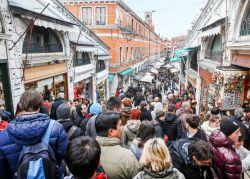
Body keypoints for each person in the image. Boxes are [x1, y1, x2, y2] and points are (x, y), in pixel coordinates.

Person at [0, 90, 68, 178]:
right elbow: (63, 154)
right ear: (40, 105)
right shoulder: (56, 128)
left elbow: (3, 172)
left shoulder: (4, 135)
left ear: (20, 105)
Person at [95, 112, 140, 179]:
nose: (122, 127)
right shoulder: (127, 157)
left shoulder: (87, 153)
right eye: (120, 125)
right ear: (111, 132)